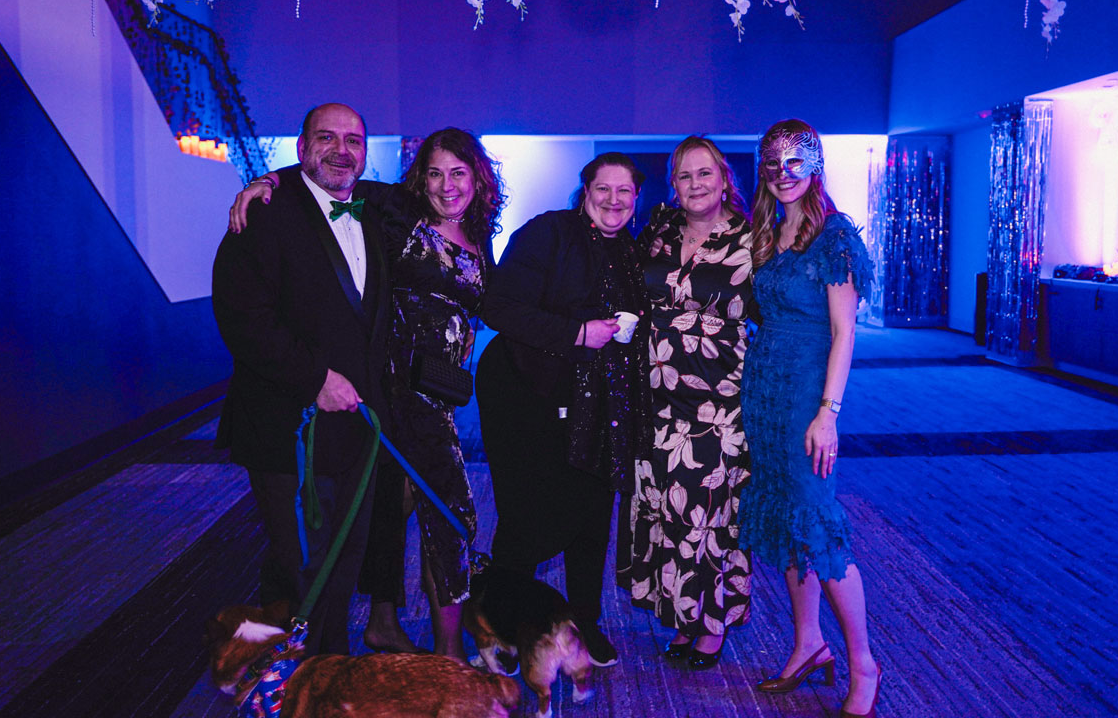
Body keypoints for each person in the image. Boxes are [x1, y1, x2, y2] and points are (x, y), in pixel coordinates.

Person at [230, 128, 504, 661]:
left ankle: (381, 621)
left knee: (391, 504)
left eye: (458, 173)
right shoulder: (397, 211)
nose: (446, 186)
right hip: (393, 386)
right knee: (452, 512)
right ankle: (446, 652)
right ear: (419, 178)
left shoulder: (479, 234)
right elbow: (327, 177)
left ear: (478, 178)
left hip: (438, 394)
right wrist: (265, 183)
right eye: (434, 173)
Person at [212, 103, 393, 656]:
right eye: (326, 138)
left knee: (339, 557)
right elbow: (242, 318)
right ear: (300, 147)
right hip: (288, 426)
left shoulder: (376, 208)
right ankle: (311, 675)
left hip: (357, 429)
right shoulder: (264, 215)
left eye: (354, 140)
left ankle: (306, 668)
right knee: (302, 563)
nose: (342, 150)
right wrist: (314, 377)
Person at [475, 152, 651, 667]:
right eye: (604, 189)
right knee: (527, 515)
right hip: (525, 394)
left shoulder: (632, 252)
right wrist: (579, 332)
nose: (614, 200)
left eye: (625, 192)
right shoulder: (548, 233)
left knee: (593, 512)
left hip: (600, 404)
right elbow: (499, 307)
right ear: (585, 191)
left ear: (636, 199)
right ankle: (502, 625)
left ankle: (583, 621)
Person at [737, 119, 880, 717]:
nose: (783, 174)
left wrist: (829, 413)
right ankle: (807, 644)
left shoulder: (834, 236)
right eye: (772, 164)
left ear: (815, 165)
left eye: (795, 163)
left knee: (818, 522)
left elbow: (845, 333)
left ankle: (864, 663)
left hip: (806, 396)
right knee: (789, 520)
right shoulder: (766, 231)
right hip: (764, 394)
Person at [623, 137, 754, 669]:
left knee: (709, 516)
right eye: (684, 176)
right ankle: (685, 616)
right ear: (672, 184)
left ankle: (710, 625)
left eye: (705, 174)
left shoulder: (752, 240)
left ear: (724, 178)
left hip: (718, 402)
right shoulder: (656, 234)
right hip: (655, 399)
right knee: (669, 510)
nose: (695, 185)